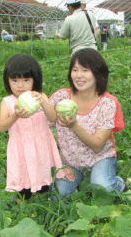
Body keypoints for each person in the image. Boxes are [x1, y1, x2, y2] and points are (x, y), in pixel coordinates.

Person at [49, 48, 126, 199]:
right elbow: (41, 125)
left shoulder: (108, 103)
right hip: (70, 161)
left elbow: (98, 146)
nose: (78, 75)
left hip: (100, 158)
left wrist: (73, 126)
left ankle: (119, 183)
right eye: (75, 70)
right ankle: (77, 183)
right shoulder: (61, 97)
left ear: (98, 73)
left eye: (85, 70)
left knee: (103, 187)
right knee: (58, 195)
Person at [0, 54, 74, 202]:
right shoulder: (8, 102)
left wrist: (43, 103)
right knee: (23, 175)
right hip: (21, 148)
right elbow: (1, 127)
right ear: (7, 81)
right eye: (15, 80)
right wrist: (16, 115)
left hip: (41, 145)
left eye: (26, 80)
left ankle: (43, 194)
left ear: (35, 79)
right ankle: (23, 202)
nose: (20, 85)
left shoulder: (40, 96)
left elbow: (52, 118)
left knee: (43, 170)